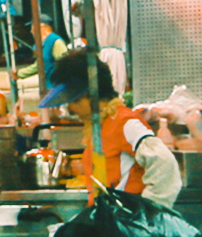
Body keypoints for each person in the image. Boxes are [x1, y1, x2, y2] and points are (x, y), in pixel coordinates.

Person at [72, 49, 182, 203]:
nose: (71, 108)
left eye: (73, 101)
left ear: (87, 96)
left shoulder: (125, 122)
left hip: (127, 221)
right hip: (110, 220)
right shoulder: (101, 126)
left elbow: (165, 164)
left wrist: (148, 210)